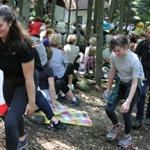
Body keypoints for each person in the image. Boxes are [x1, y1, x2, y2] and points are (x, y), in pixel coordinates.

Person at [0, 5, 36, 150]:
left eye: (0, 25)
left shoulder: (23, 45)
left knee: (9, 122)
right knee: (14, 115)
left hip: (24, 84)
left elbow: (29, 78)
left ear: (10, 23)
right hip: (8, 82)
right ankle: (22, 139)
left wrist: (32, 103)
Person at [104, 34, 144, 148]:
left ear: (126, 46)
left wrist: (128, 101)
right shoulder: (113, 55)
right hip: (121, 82)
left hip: (133, 84)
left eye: (118, 50)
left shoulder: (134, 59)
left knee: (126, 112)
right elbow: (112, 71)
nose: (116, 53)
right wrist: (108, 88)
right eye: (114, 50)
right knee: (109, 108)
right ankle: (117, 126)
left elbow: (135, 82)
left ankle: (127, 136)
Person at [132, 25, 150, 128]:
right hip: (144, 73)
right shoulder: (142, 44)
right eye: (149, 32)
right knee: (141, 93)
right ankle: (139, 118)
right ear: (147, 33)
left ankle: (149, 116)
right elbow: (135, 57)